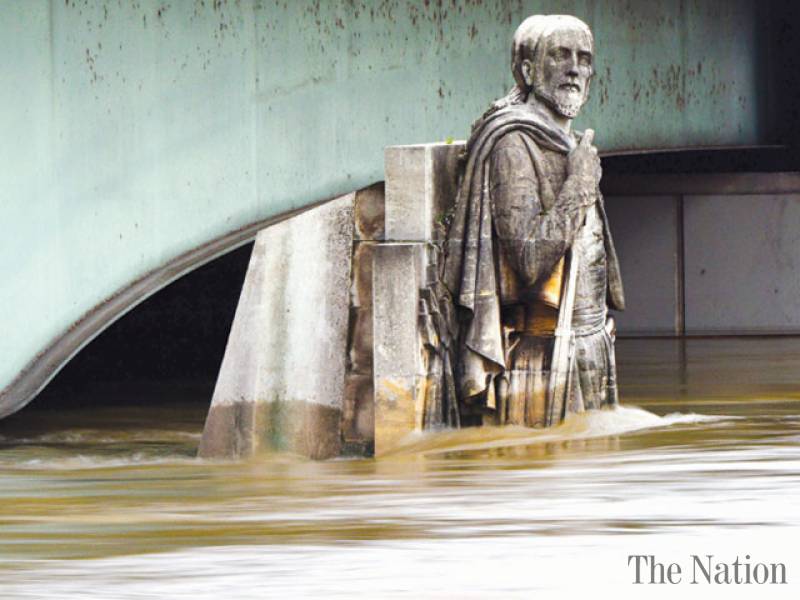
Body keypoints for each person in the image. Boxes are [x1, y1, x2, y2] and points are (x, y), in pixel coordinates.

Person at [442, 14, 625, 427]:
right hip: (544, 359)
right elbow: (527, 260)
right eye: (560, 55)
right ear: (528, 70)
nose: (574, 69)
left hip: (589, 347)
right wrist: (579, 185)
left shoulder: (569, 142)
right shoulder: (514, 145)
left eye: (583, 58)